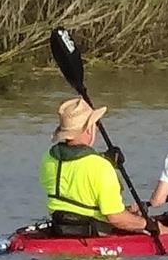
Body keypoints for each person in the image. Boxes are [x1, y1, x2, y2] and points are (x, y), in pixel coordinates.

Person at [39, 97, 148, 236]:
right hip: (95, 234)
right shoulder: (101, 167)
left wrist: (105, 158)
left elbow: (75, 171)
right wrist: (148, 224)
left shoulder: (48, 158)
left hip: (59, 228)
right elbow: (115, 218)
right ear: (89, 129)